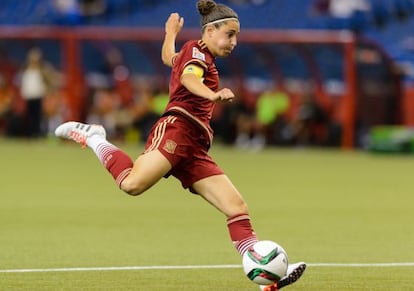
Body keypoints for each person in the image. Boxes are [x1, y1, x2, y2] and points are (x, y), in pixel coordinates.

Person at [54, 1, 306, 290]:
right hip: (177, 130)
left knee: (236, 206)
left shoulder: (194, 53)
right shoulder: (198, 53)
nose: (234, 42)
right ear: (210, 31)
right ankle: (95, 137)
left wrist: (169, 33)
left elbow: (169, 59)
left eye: (237, 36)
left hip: (195, 146)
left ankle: (265, 279)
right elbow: (188, 78)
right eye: (230, 34)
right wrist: (212, 95)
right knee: (131, 184)